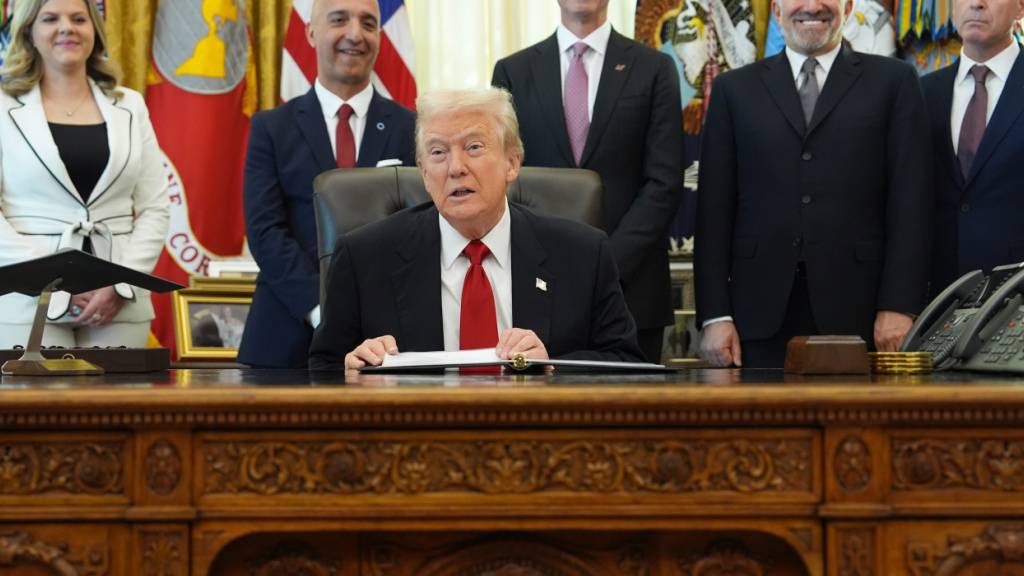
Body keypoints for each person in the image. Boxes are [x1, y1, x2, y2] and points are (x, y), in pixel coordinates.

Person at [308, 88, 644, 371]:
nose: (456, 168)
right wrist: (352, 372)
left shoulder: (583, 254)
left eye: (473, 147)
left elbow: (626, 364)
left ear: (512, 162)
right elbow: (323, 371)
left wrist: (553, 369)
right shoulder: (365, 258)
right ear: (424, 173)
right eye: (438, 152)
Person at [695, 0, 933, 368]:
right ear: (777, 11)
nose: (812, 6)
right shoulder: (733, 90)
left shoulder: (895, 82)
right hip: (754, 319)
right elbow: (713, 211)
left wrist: (899, 305)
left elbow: (911, 203)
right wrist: (715, 315)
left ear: (848, 7)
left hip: (863, 315)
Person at [491, 0, 683, 364]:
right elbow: (503, 179)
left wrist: (603, 265)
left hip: (632, 290)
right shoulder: (513, 71)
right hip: (536, 287)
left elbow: (664, 183)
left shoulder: (654, 68)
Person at [239, 0, 416, 368]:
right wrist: (322, 310)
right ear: (311, 32)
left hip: (386, 339)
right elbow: (265, 230)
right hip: (286, 334)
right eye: (339, 20)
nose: (355, 34)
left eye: (368, 23)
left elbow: (420, 230)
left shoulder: (413, 128)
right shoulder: (271, 128)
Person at [0, 0, 169, 348]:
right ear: (29, 31)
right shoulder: (2, 106)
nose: (67, 28)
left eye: (79, 19)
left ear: (95, 30)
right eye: (50, 19)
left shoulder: (131, 105)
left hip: (119, 302)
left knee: (119, 388)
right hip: (27, 298)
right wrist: (49, 279)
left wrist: (121, 284)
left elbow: (155, 207)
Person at [921, 0, 1024, 294]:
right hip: (938, 294)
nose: (976, 3)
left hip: (1016, 293)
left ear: (1020, 8)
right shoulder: (923, 92)